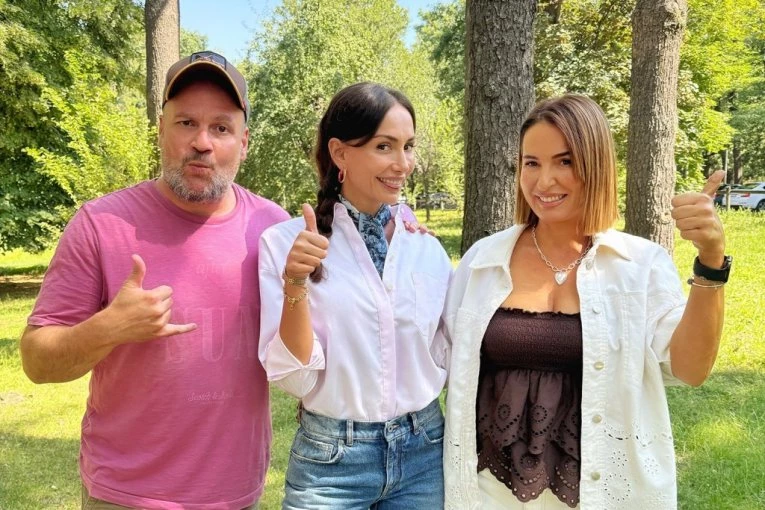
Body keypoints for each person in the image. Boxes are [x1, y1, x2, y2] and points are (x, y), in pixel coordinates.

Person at [20, 51, 290, 509]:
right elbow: (36, 362)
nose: (202, 142)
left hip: (235, 494)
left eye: (221, 128)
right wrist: (107, 329)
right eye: (186, 123)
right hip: (125, 495)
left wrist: (399, 226)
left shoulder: (272, 228)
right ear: (161, 129)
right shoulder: (101, 224)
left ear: (243, 143)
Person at [442, 94, 728, 509]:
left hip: (604, 492)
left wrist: (711, 262)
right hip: (490, 491)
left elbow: (690, 369)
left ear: (597, 166)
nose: (544, 182)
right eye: (531, 163)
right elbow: (437, 355)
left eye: (565, 161)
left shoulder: (638, 265)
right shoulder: (483, 261)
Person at [258, 82, 453, 509]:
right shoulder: (285, 244)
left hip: (423, 455)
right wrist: (295, 282)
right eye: (384, 146)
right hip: (331, 465)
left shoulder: (426, 248)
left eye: (408, 146)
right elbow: (295, 379)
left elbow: (453, 351)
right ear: (340, 153)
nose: (403, 163)